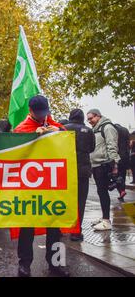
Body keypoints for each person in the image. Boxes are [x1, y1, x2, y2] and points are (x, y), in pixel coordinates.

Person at [13, 95, 70, 277]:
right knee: (27, 226)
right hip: (30, 184)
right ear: (30, 111)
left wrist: (58, 133)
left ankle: (56, 264)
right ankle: (25, 264)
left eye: (44, 113)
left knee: (56, 224)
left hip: (52, 184)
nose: (42, 116)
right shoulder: (22, 129)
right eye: (38, 113)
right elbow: (14, 148)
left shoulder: (54, 125)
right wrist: (32, 137)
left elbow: (68, 142)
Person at [65, 109, 95, 241]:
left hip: (66, 170)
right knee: (80, 201)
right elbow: (92, 148)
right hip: (82, 170)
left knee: (65, 201)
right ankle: (76, 231)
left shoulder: (63, 129)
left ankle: (61, 228)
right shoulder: (88, 131)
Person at [87, 109, 120, 231]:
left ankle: (106, 221)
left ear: (98, 116)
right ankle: (104, 217)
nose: (89, 121)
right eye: (88, 119)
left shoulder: (107, 127)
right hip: (96, 164)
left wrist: (114, 164)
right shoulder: (96, 129)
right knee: (101, 192)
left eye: (91, 118)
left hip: (104, 164)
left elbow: (112, 145)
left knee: (103, 192)